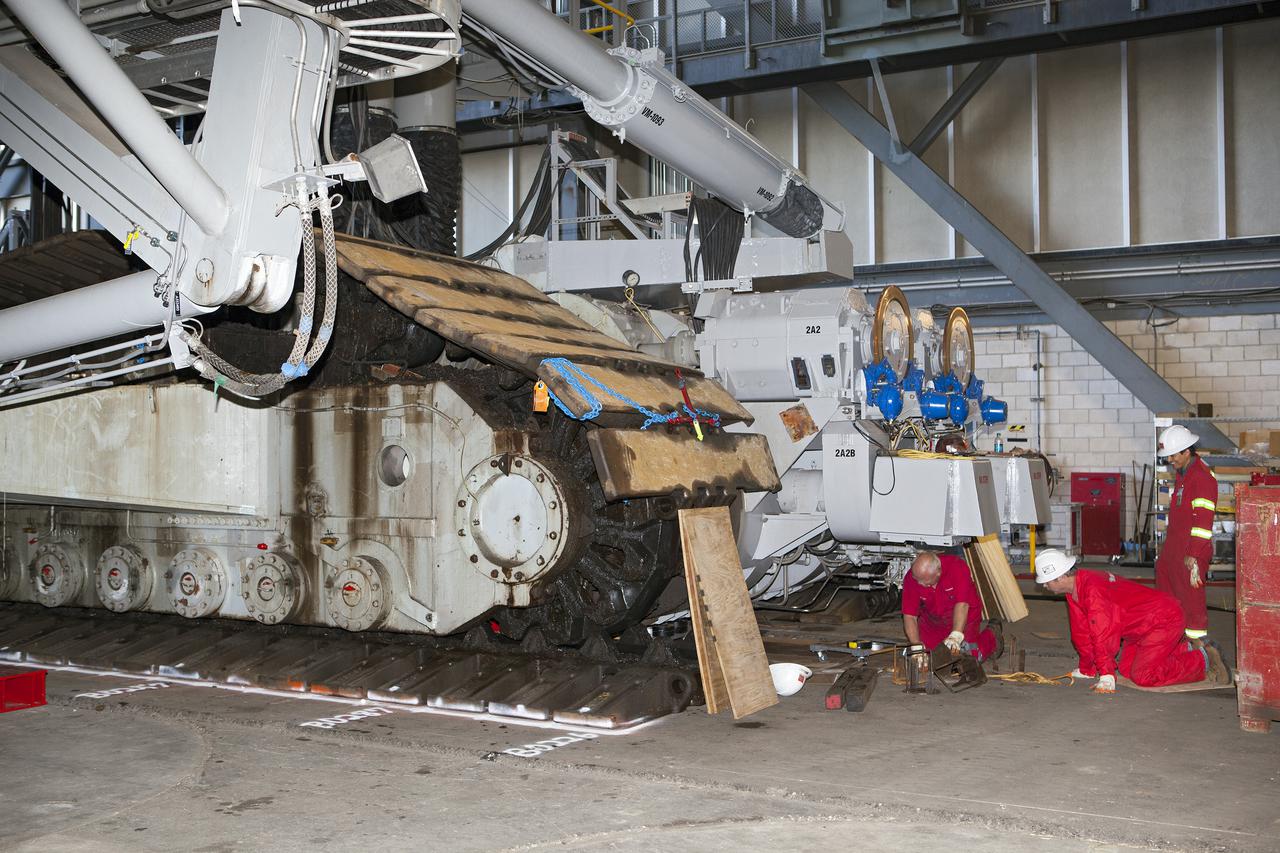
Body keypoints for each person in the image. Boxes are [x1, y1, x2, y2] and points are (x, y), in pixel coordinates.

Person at [1034, 548, 1229, 694]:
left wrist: (1107, 675)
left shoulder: (1093, 590)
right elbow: (1082, 633)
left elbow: (1103, 633)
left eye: (1047, 580)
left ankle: (1204, 660)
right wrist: (1088, 669)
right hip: (1141, 628)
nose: (1044, 585)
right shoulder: (1075, 589)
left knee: (1144, 675)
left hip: (1163, 620)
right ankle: (1183, 650)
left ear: (1060, 577)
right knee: (1127, 670)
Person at [1155, 424, 1217, 641]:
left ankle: (1197, 648)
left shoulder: (1201, 478)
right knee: (1169, 598)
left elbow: (1203, 522)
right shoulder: (1184, 475)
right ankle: (1175, 642)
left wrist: (1193, 553)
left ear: (1186, 451)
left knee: (1191, 602)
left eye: (1173, 456)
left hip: (1191, 553)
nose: (1170, 461)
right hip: (1174, 549)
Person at [901, 551, 997, 661]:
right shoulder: (912, 578)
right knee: (932, 658)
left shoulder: (957, 567)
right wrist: (916, 646)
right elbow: (909, 616)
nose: (920, 584)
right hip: (933, 619)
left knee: (968, 657)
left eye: (926, 582)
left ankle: (992, 636)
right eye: (918, 580)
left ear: (938, 572)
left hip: (965, 615)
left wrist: (956, 636)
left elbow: (962, 604)